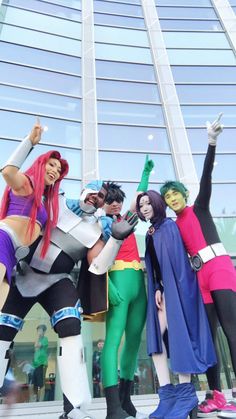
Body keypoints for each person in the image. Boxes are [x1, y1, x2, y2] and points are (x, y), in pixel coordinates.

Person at [0, 179, 138, 419]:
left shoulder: (97, 230)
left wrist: (115, 240)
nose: (98, 197)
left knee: (70, 325)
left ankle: (73, 408)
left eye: (102, 197)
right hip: (24, 272)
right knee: (2, 330)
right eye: (96, 192)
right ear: (85, 190)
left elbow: (97, 267)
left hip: (57, 280)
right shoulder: (56, 202)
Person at [160, 114, 236, 418]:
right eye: (167, 196)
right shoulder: (172, 226)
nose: (172, 197)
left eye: (175, 192)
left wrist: (212, 143)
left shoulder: (199, 207)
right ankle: (217, 395)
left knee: (231, 329)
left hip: (218, 268)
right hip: (198, 278)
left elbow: (207, 178)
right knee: (208, 337)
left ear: (184, 195)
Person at [136, 190, 217, 419]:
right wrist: (159, 288)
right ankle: (167, 396)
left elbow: (179, 266)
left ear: (156, 203)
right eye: (141, 205)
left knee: (178, 338)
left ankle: (186, 395)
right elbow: (158, 267)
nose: (144, 207)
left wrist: (171, 291)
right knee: (156, 340)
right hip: (165, 291)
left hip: (180, 290)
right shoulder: (151, 232)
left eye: (148, 203)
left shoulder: (168, 227)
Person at [101, 157, 154, 419]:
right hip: (118, 280)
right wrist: (107, 283)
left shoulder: (129, 218)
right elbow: (95, 258)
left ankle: (125, 400)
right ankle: (112, 408)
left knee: (133, 343)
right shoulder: (99, 225)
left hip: (138, 283)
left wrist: (144, 173)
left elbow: (138, 197)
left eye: (118, 198)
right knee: (112, 342)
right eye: (109, 199)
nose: (115, 202)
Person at [0, 117, 69, 308]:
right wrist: (29, 141)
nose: (55, 171)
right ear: (41, 164)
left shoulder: (44, 203)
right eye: (51, 164)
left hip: (13, 254)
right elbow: (7, 172)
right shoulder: (27, 184)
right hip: (3, 239)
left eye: (59, 169)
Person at [32, 324, 48, 402]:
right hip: (35, 364)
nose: (39, 332)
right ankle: (35, 399)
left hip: (42, 363)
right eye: (38, 330)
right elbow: (35, 349)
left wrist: (38, 337)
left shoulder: (45, 339)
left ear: (44, 331)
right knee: (34, 383)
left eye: (40, 330)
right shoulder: (37, 339)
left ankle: (41, 400)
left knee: (41, 383)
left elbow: (36, 345)